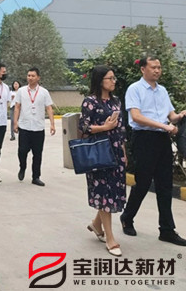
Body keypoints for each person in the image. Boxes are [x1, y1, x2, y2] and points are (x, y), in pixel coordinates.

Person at [120, 56, 186, 246]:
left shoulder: (162, 91)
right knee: (143, 183)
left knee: (165, 185)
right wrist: (164, 126)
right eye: (153, 67)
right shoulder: (135, 89)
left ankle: (166, 230)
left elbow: (171, 116)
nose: (157, 70)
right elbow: (136, 117)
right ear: (143, 69)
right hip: (144, 139)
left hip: (162, 140)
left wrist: (180, 115)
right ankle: (127, 217)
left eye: (159, 67)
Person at [79, 66, 127, 257]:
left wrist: (123, 153)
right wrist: (104, 127)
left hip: (116, 151)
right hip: (98, 152)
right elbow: (83, 127)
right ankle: (110, 238)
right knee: (104, 193)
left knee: (113, 192)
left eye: (114, 78)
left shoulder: (116, 101)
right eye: (110, 78)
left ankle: (96, 225)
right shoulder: (90, 102)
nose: (114, 81)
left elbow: (121, 129)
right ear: (100, 81)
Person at [12, 67, 55, 186]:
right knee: (22, 151)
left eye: (33, 76)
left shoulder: (44, 92)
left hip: (38, 127)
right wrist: (15, 123)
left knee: (37, 154)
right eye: (29, 75)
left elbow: (49, 108)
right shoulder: (21, 91)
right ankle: (22, 167)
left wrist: (52, 124)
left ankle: (36, 177)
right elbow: (17, 107)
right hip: (24, 127)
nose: (30, 78)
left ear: (38, 78)